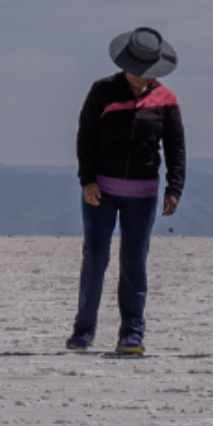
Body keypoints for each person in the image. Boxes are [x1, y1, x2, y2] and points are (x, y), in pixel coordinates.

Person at [72, 28, 186, 356]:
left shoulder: (166, 100)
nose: (142, 76)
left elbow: (176, 148)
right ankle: (83, 330)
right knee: (95, 257)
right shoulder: (102, 92)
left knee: (134, 261)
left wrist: (174, 187)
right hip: (101, 192)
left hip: (144, 194)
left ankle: (132, 333)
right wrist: (87, 180)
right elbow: (86, 138)